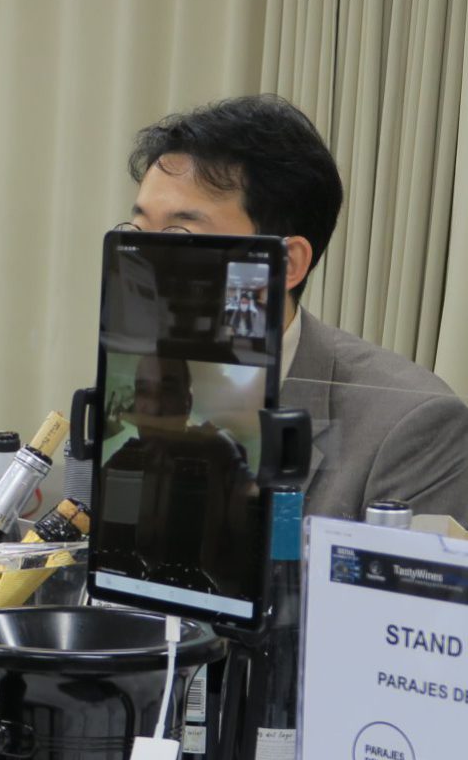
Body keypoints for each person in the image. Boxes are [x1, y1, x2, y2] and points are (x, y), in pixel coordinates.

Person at [128, 94, 468, 521]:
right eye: (138, 232)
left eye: (181, 235)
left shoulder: (410, 426)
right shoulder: (141, 381)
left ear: (285, 265)